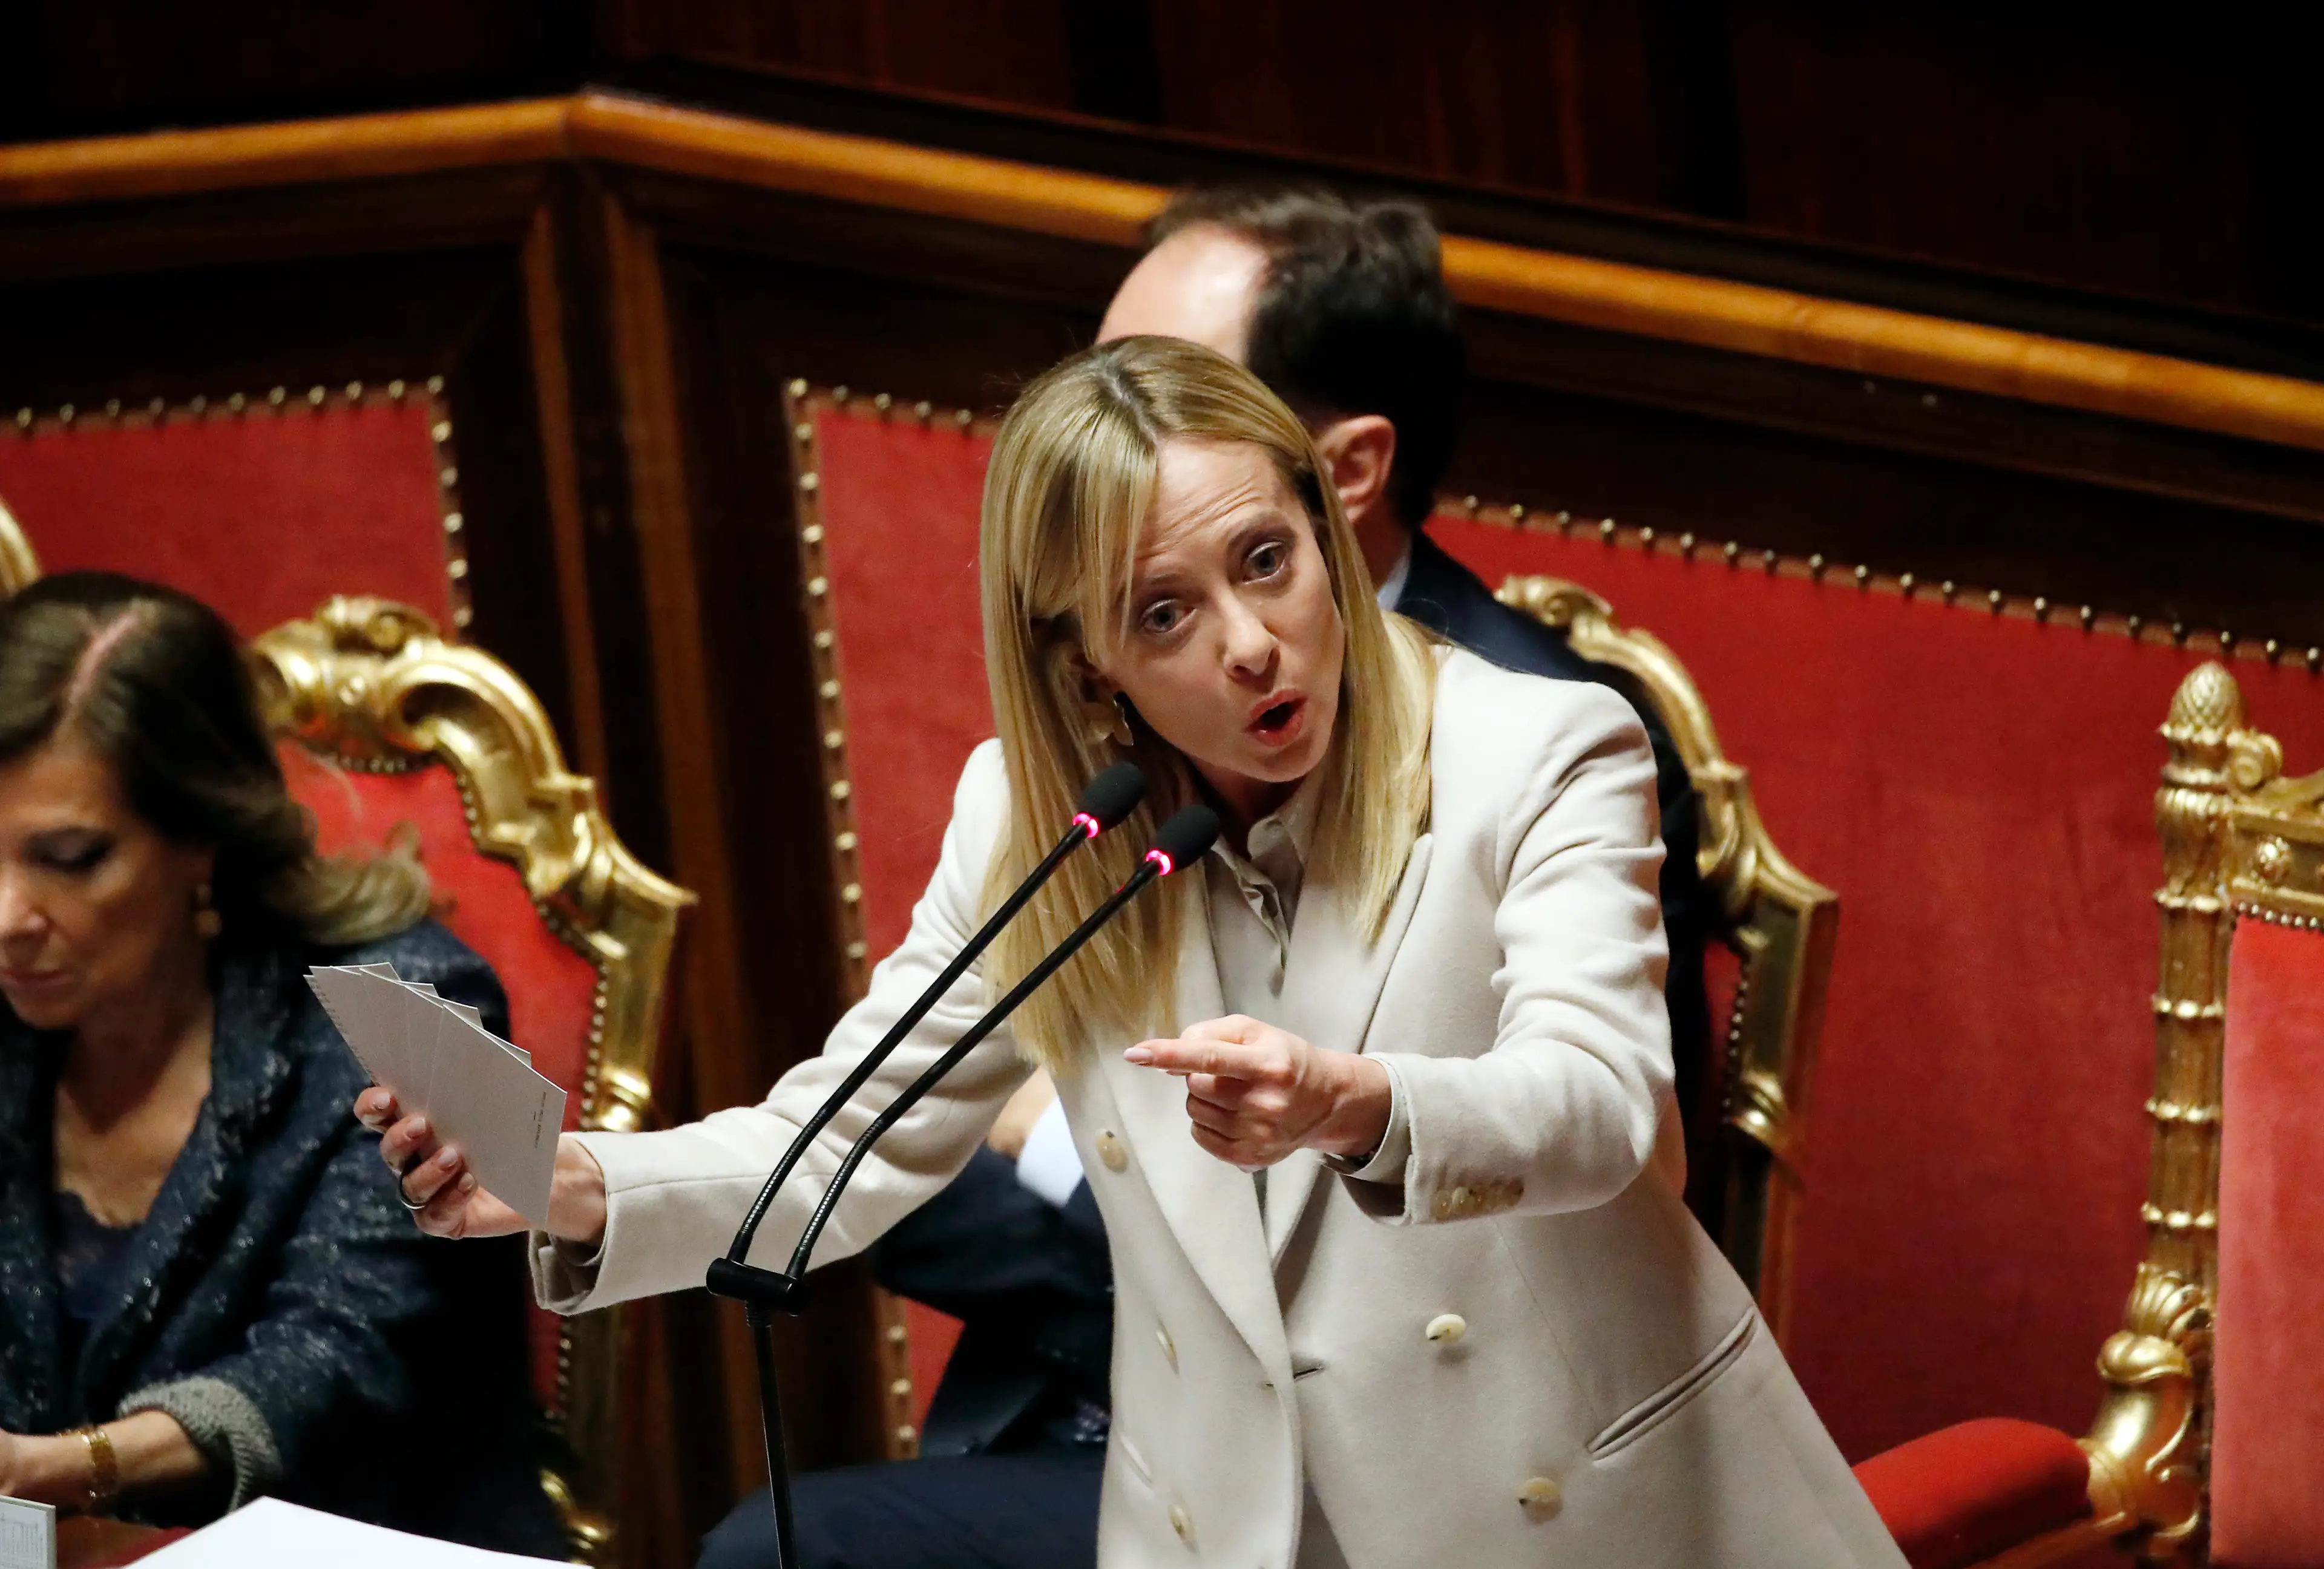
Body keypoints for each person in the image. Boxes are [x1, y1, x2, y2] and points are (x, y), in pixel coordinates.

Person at [366, 338, 1901, 1568]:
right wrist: (577, 1188)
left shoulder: (1538, 749)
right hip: (1228, 1527)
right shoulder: (1045, 827)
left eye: (1266, 560)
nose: (1247, 641)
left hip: (1581, 1525)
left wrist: (1358, 1102)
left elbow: (1604, 1103)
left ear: (1325, 525)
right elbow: (840, 1141)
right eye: (1165, 612)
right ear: (1086, 663)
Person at [738, 183, 1723, 1569]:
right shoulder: (1090, 771)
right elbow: (898, 1167)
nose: (1111, 439)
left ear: (1336, 474)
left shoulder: (1543, 734)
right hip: (1141, 1430)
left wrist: (1113, 1154)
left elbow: (1607, 1140)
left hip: (1466, 1479)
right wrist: (580, 1186)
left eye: (1174, 394)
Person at [0, 572, 565, 1556]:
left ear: (202, 838)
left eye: (72, 857)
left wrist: (53, 1471)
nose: (7, 918)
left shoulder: (403, 1014)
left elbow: (338, 1365)